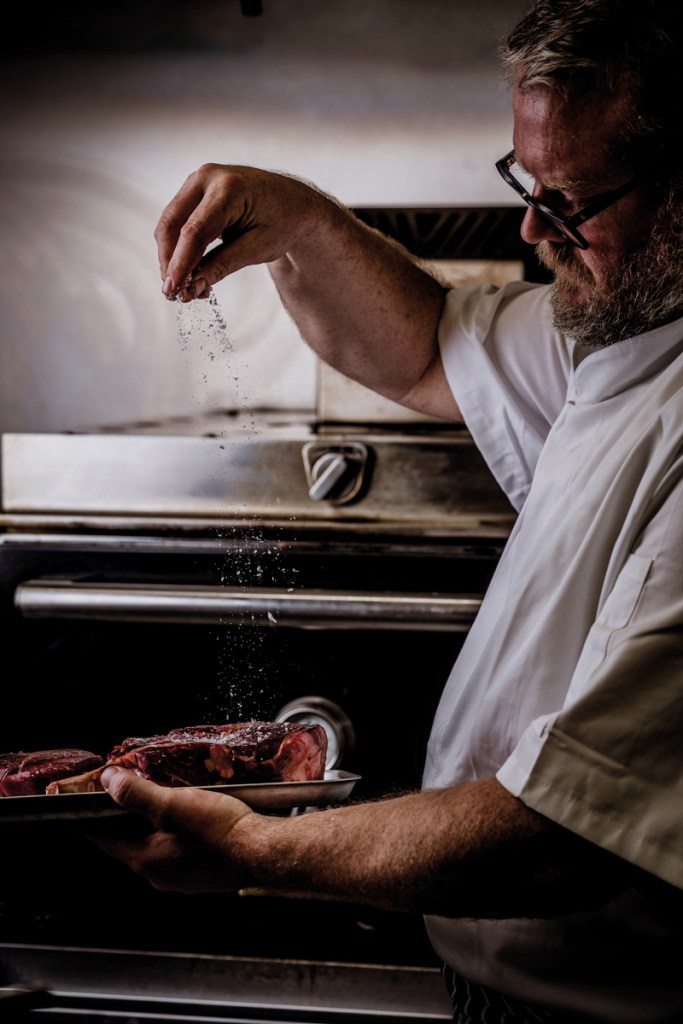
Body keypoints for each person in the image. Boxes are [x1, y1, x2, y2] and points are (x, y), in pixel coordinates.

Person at [90, 2, 683, 1021]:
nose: (530, 228)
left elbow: (554, 840)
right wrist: (304, 223)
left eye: (571, 200)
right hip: (495, 985)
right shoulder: (623, 330)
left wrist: (255, 849)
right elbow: (416, 343)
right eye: (523, 183)